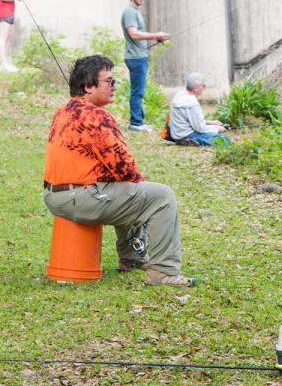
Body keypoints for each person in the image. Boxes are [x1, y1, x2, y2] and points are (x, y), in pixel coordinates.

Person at [43, 55, 195, 287]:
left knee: (129, 189)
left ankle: (131, 258)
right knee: (160, 196)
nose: (114, 86)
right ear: (88, 86)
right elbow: (123, 167)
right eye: (109, 81)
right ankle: (162, 272)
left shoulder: (63, 111)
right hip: (79, 198)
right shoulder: (97, 116)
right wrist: (138, 185)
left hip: (55, 196)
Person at [121, 0, 169, 132]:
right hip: (136, 58)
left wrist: (157, 39)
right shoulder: (130, 12)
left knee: (139, 91)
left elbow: (137, 37)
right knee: (137, 91)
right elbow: (134, 34)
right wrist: (156, 35)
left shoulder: (135, 11)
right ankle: (135, 124)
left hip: (139, 56)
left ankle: (138, 121)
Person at [164, 72, 230, 146]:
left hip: (177, 135)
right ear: (195, 88)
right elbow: (200, 128)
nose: (205, 87)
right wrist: (216, 129)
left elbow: (188, 120)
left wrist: (209, 122)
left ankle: (185, 141)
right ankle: (192, 140)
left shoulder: (179, 95)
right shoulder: (192, 103)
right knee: (224, 140)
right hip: (187, 134)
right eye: (203, 85)